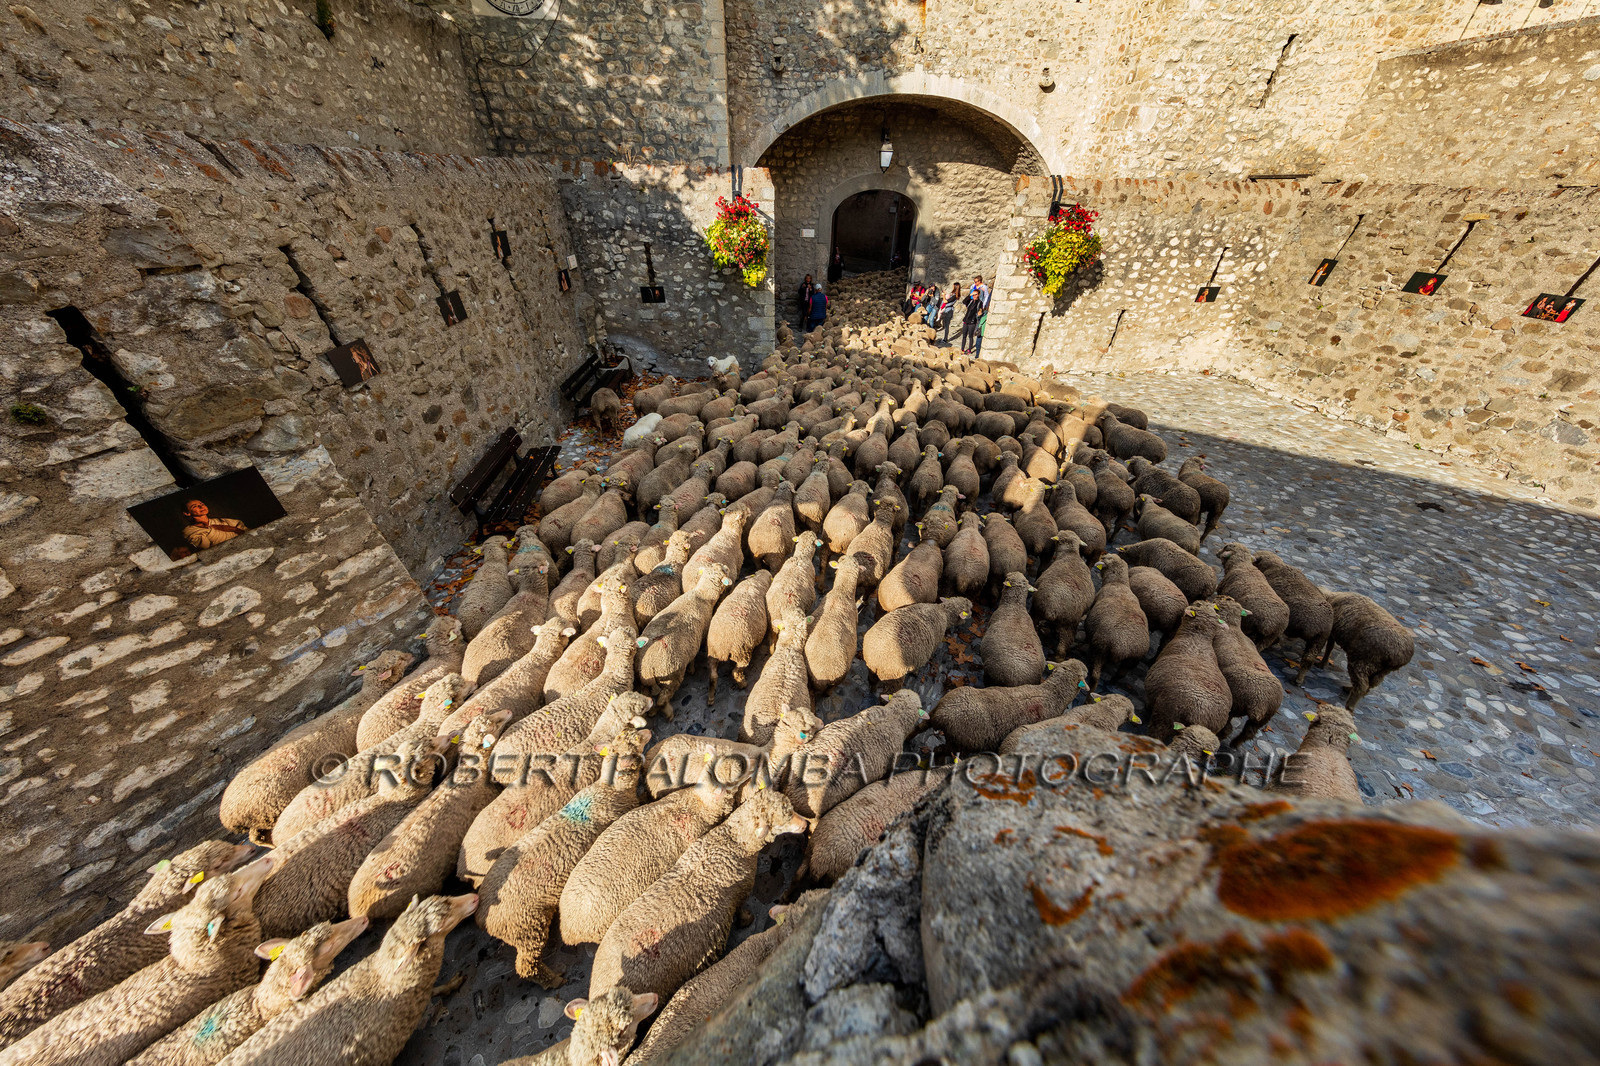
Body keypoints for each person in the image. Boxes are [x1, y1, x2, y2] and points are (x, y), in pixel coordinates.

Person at [181, 499, 248, 551]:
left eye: (202, 504)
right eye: (194, 506)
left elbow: (246, 532)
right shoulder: (190, 530)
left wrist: (233, 529)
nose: (201, 506)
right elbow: (207, 549)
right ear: (187, 513)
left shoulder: (223, 521)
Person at [959, 284, 982, 353]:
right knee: (964, 336)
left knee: (970, 336)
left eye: (976, 294)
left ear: (978, 295)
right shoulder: (971, 301)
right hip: (966, 320)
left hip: (972, 322)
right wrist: (970, 295)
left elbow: (980, 311)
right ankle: (962, 349)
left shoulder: (979, 303)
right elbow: (964, 301)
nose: (974, 296)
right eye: (973, 294)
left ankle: (969, 349)